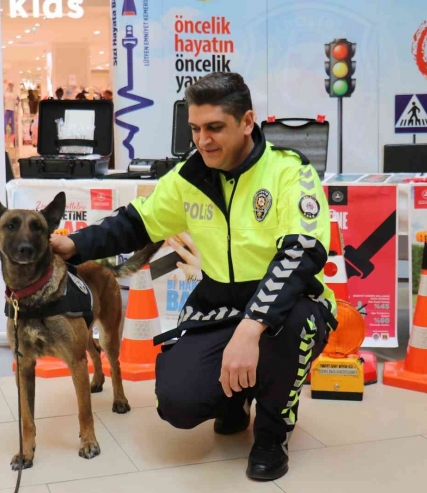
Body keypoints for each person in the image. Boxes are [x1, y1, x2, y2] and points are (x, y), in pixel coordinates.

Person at [50, 72, 337, 481]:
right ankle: (234, 403)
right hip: (217, 304)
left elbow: (301, 252)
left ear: (247, 122)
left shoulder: (290, 173)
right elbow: (136, 223)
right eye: (196, 129)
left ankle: (272, 435)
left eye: (215, 127)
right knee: (177, 403)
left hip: (289, 305)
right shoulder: (189, 175)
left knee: (289, 328)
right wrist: (75, 245)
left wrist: (251, 327)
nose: (203, 140)